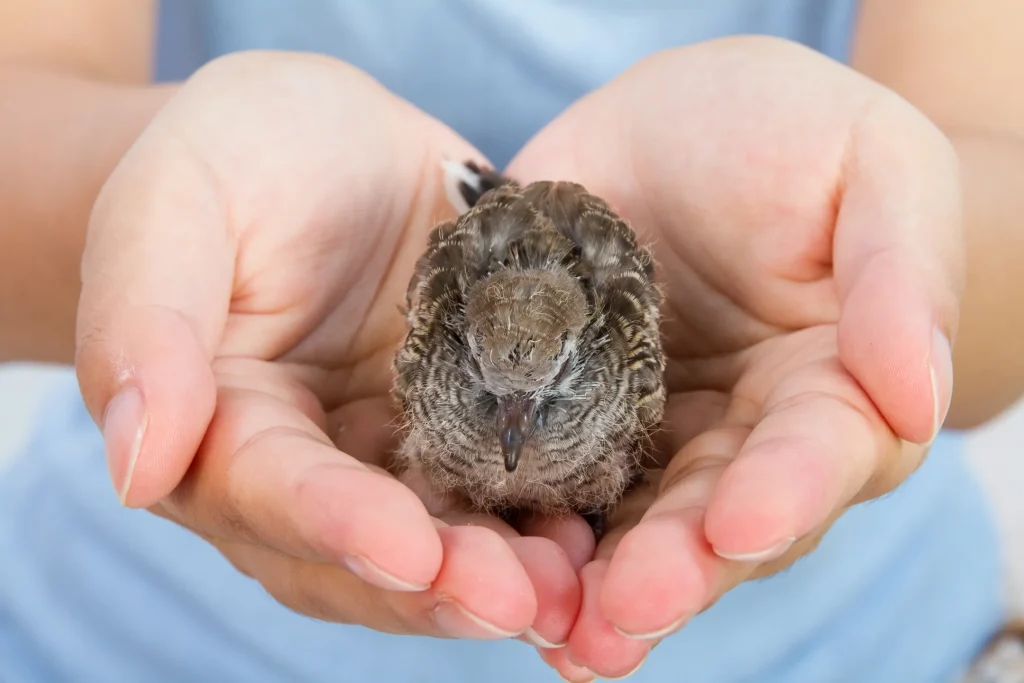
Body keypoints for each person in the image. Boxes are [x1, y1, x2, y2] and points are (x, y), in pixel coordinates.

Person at [1, 1, 1022, 681]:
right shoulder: (438, 343)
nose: (510, 426)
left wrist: (892, 245)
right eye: (496, 390)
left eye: (536, 391)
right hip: (127, 641)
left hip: (867, 649)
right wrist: (173, 226)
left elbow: (995, 153)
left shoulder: (626, 346)